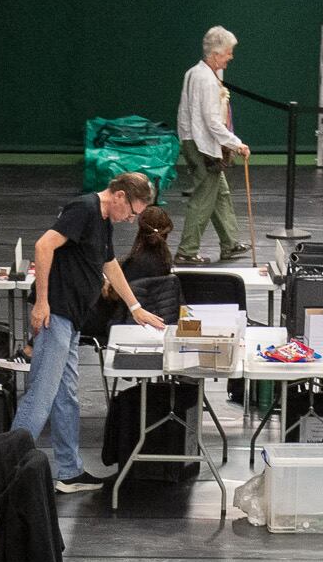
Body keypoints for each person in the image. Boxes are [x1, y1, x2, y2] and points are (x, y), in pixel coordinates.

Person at [18, 172, 161, 492]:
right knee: (40, 397)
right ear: (120, 195)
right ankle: (8, 472)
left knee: (66, 398)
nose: (131, 219)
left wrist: (135, 307)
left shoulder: (103, 219)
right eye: (133, 212)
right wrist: (42, 302)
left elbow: (109, 264)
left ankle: (69, 471)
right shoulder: (83, 209)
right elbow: (43, 246)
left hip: (72, 319)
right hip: (56, 316)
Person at [173, 26, 250, 266]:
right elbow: (212, 121)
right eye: (228, 52)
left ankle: (230, 243)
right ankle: (186, 251)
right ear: (216, 54)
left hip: (197, 141)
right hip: (202, 145)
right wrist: (236, 144)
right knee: (204, 197)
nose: (231, 57)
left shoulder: (198, 72)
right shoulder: (205, 79)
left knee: (221, 193)